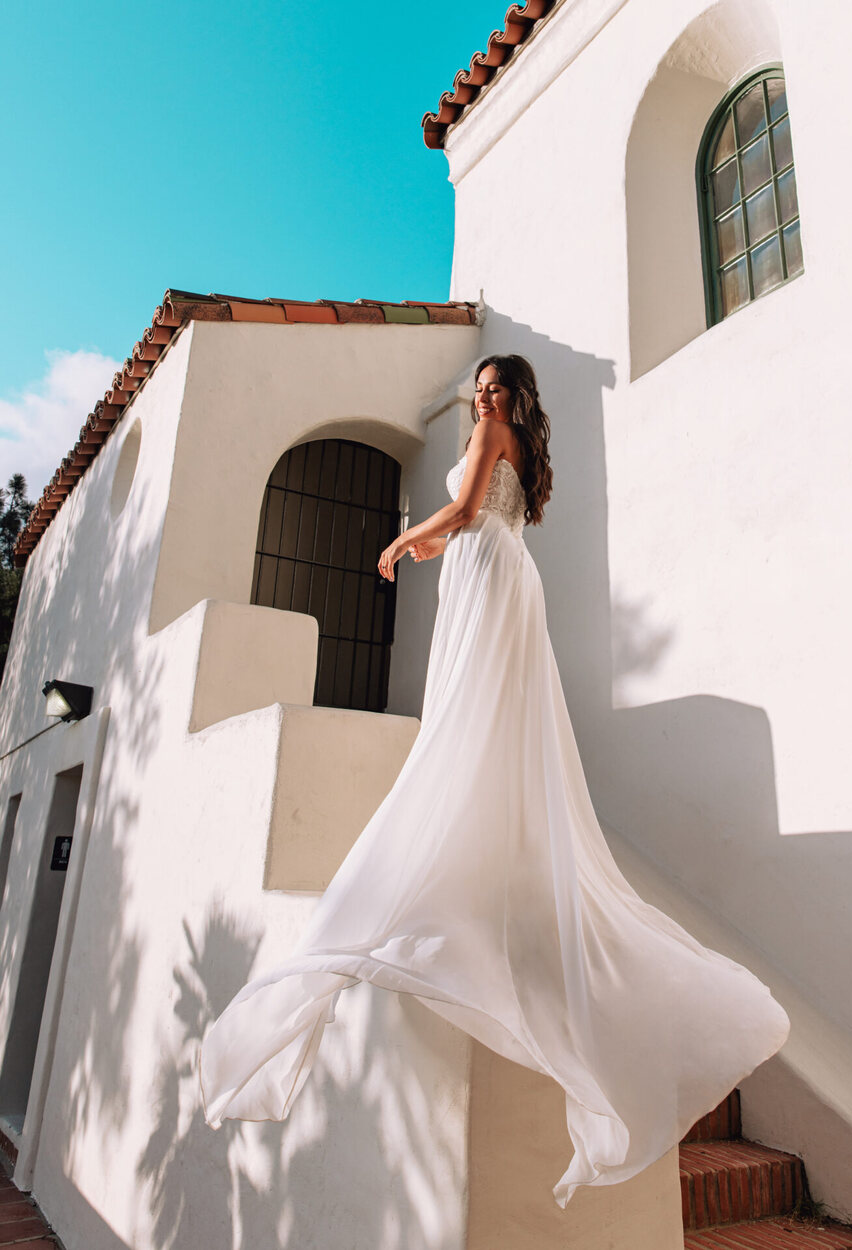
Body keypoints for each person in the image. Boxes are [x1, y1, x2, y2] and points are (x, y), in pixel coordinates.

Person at [199, 354, 789, 1207]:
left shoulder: (488, 435)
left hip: (488, 573)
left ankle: (461, 849)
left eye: (492, 387)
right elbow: (479, 519)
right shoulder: (518, 441)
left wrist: (407, 537)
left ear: (513, 396)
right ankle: (485, 848)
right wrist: (436, 539)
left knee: (467, 718)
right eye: (476, 388)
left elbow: (468, 509)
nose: (481, 398)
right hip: (503, 574)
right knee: (489, 719)